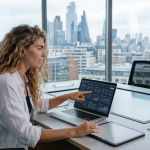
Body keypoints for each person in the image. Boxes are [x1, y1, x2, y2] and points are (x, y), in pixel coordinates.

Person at [0, 25, 101, 150]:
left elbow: (35, 105)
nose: (44, 54)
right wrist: (75, 131)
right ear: (22, 51)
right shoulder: (6, 81)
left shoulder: (22, 77)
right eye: (39, 48)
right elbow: (25, 134)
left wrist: (68, 96)